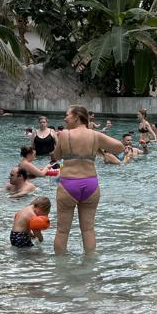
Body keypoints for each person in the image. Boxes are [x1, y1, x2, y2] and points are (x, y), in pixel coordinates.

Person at [50, 105, 126, 253]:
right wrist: (99, 147)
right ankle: (90, 269)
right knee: (88, 230)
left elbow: (56, 156)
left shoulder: (65, 134)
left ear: (76, 117)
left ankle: (59, 272)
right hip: (91, 184)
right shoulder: (95, 135)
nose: (65, 118)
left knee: (62, 231)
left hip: (68, 184)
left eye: (67, 115)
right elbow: (120, 147)